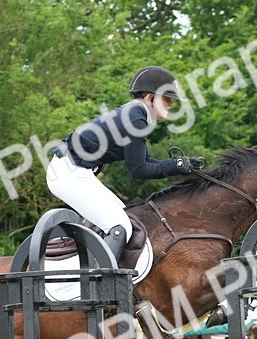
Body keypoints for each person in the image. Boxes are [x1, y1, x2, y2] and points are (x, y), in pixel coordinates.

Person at [46, 66, 203, 262]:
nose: (171, 104)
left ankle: (91, 265)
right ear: (149, 98)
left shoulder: (135, 115)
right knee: (120, 228)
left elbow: (143, 162)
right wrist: (174, 165)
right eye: (167, 99)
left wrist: (178, 165)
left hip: (76, 172)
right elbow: (138, 170)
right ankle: (100, 285)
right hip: (68, 175)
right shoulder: (136, 119)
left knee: (127, 220)